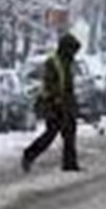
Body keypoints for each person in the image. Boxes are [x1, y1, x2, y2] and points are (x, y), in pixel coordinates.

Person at [22, 33, 82, 172]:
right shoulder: (53, 62)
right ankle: (29, 154)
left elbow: (69, 85)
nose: (74, 54)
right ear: (66, 48)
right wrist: (56, 99)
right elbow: (49, 84)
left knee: (70, 134)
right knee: (51, 134)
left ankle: (70, 163)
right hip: (53, 104)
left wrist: (73, 104)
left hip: (67, 104)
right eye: (73, 50)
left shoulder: (68, 62)